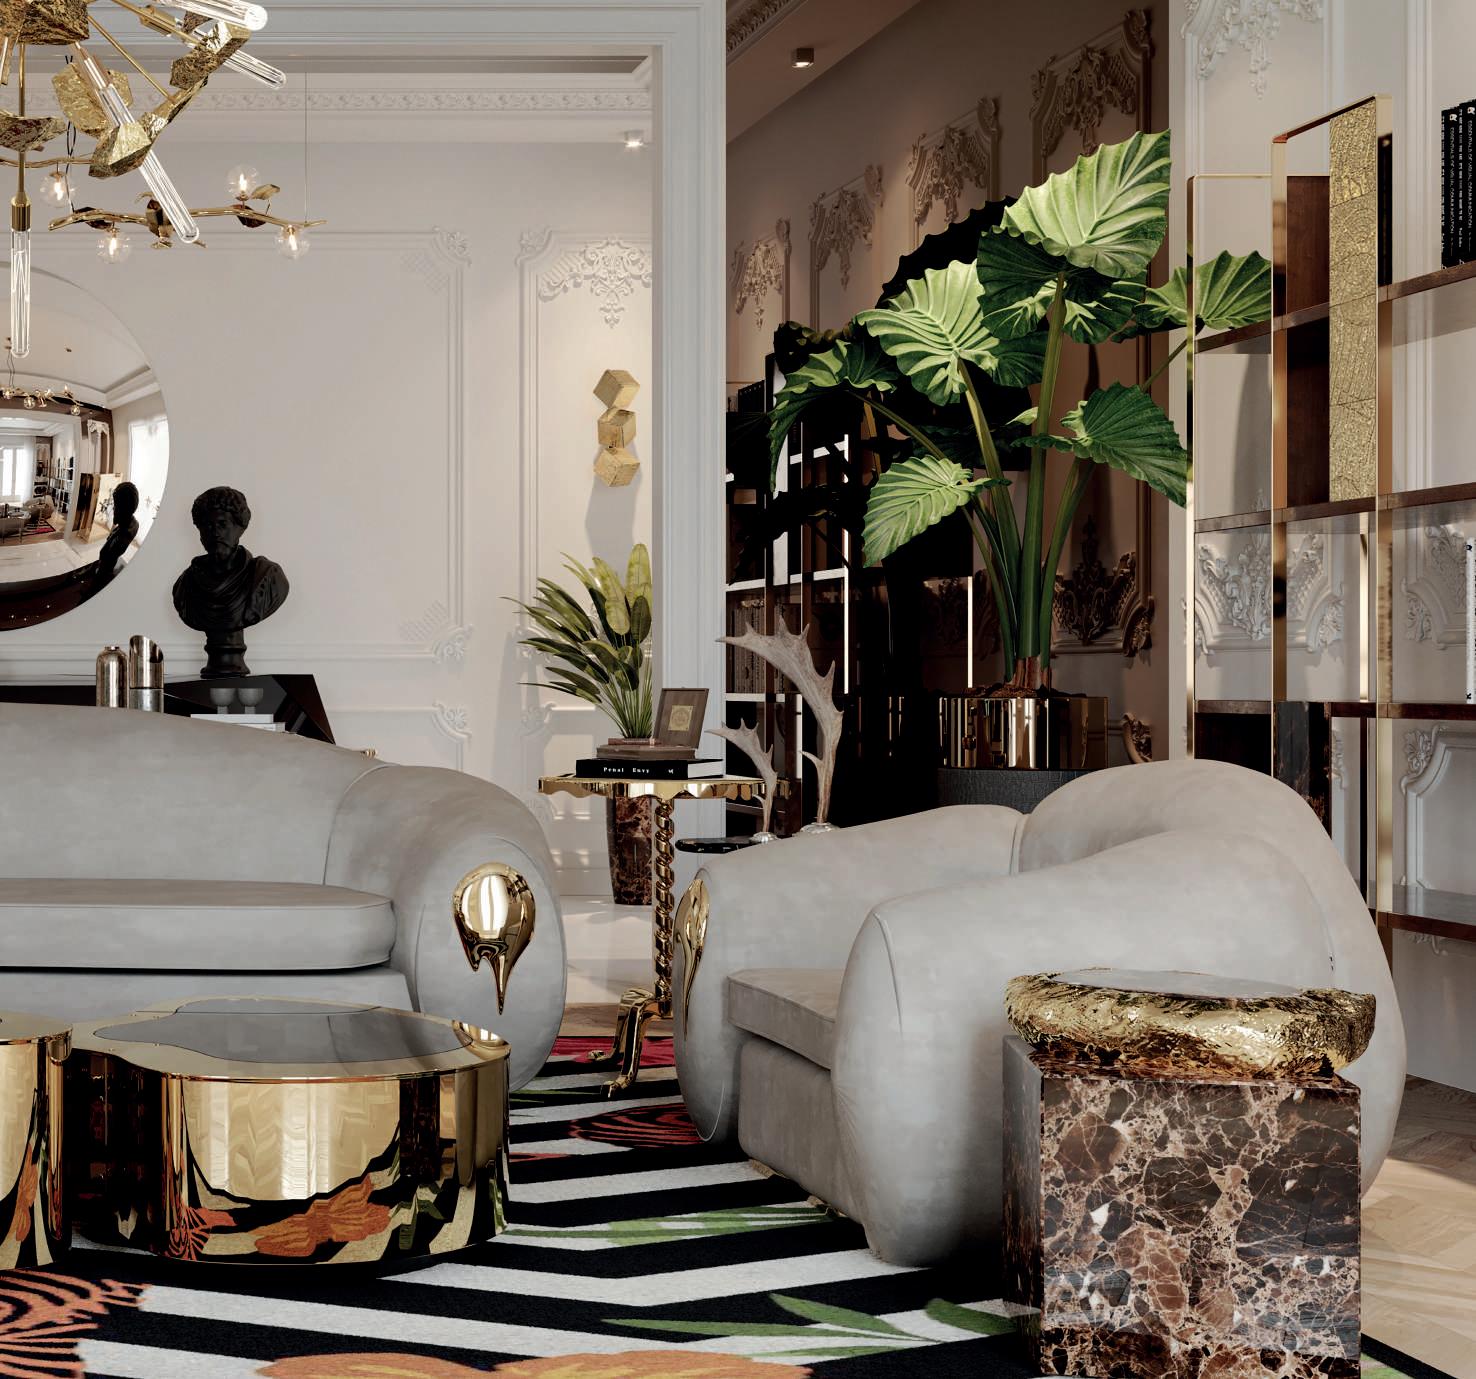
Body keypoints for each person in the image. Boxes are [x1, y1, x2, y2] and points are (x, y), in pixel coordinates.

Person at [172, 486, 289, 678]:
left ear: (240, 527)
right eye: (207, 526)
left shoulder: (267, 577)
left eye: (222, 524)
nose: (215, 533)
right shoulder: (185, 585)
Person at [94, 481, 139, 583]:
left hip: (103, 575)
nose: (113, 508)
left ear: (122, 509)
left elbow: (105, 561)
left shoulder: (118, 541)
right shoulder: (134, 523)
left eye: (116, 505)